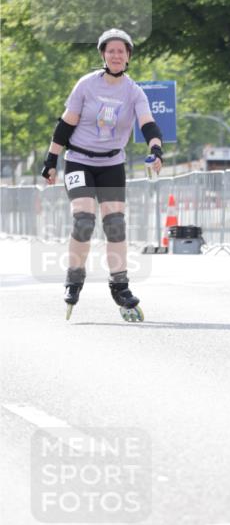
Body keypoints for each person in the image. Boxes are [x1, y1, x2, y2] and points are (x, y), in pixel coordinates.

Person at [40, 29, 164, 321]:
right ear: (103, 55)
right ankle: (74, 277)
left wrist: (156, 150)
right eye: (111, 51)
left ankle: (120, 286)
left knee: (115, 224)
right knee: (84, 221)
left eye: (122, 51)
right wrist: (50, 161)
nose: (117, 55)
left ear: (128, 56)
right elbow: (65, 126)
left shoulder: (134, 91)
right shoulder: (86, 85)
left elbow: (148, 124)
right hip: (79, 160)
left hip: (111, 163)